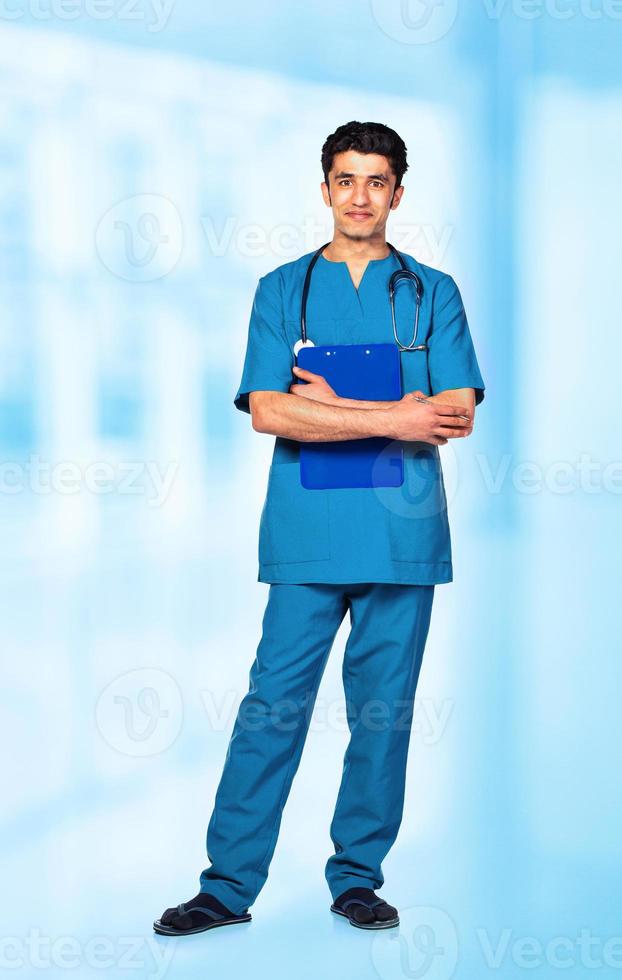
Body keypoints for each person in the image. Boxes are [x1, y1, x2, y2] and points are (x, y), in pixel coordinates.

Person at [154, 120, 486, 936]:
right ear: (326, 188)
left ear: (398, 193)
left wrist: (332, 408)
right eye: (346, 179)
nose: (361, 196)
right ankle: (226, 888)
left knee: (382, 713)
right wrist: (393, 414)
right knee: (271, 707)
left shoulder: (433, 291)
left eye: (377, 181)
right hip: (304, 536)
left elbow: (455, 412)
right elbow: (269, 410)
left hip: (402, 539)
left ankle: (357, 880)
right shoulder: (283, 289)